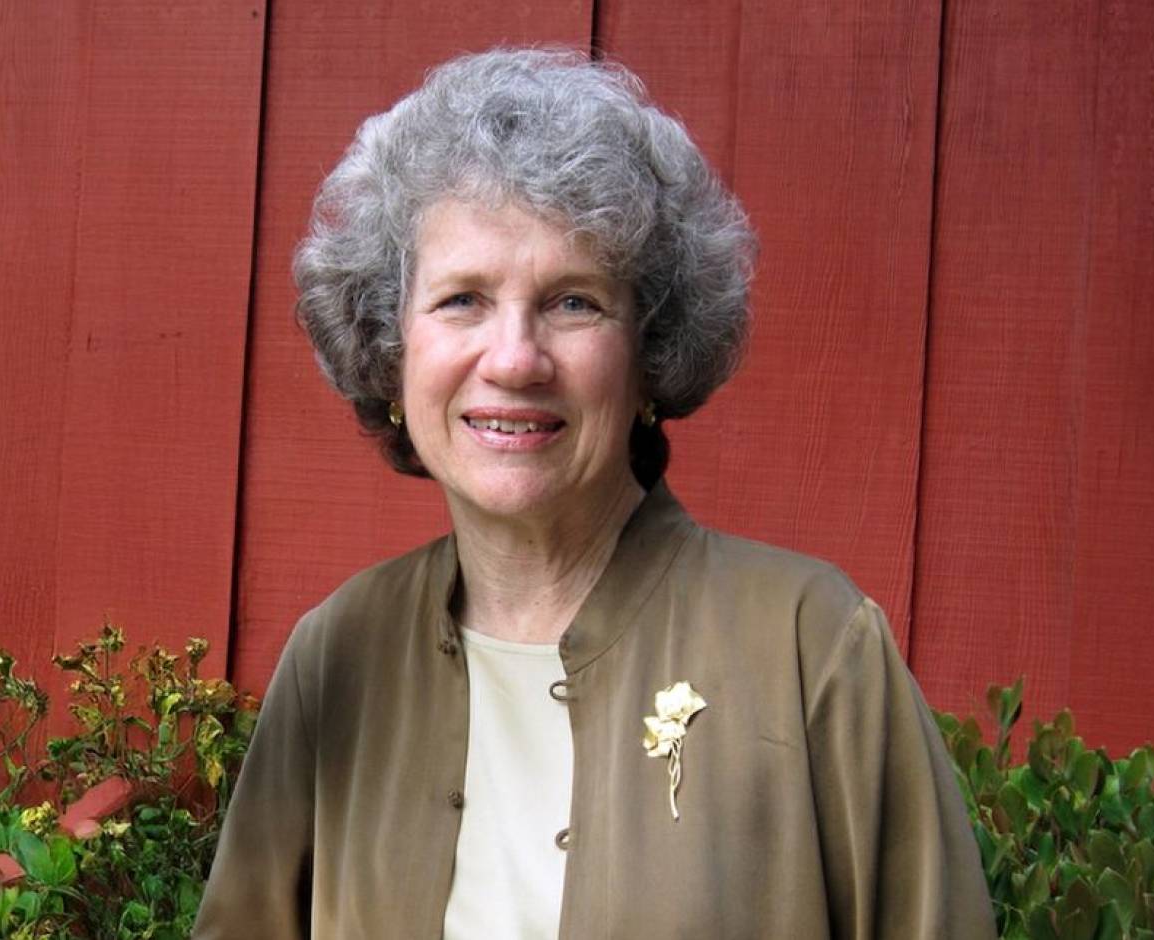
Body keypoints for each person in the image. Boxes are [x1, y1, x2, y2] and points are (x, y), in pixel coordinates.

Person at [194, 48, 993, 939]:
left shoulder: (812, 647)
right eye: (462, 299)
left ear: (649, 351)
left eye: (573, 302)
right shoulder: (337, 655)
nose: (514, 358)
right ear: (391, 350)